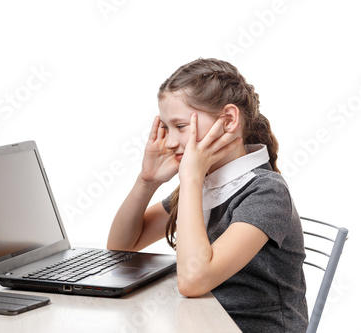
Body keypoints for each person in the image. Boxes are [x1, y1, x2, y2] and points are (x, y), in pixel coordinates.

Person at [107, 58, 308, 332]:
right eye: (166, 127)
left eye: (180, 126)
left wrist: (190, 177)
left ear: (228, 120)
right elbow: (121, 248)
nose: (169, 142)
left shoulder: (266, 192)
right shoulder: (208, 184)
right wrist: (147, 181)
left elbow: (193, 281)